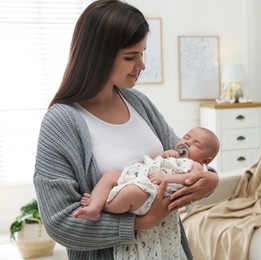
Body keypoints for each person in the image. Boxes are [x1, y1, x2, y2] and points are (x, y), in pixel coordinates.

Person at [32, 1, 219, 260]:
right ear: (98, 56)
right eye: (130, 57)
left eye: (142, 53)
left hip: (170, 250)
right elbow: (58, 222)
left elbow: (185, 159)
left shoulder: (138, 102)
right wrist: (137, 223)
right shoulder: (62, 123)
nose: (141, 65)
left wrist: (210, 180)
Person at [73, 127, 219, 259]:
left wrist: (166, 178)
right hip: (138, 178)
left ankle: (104, 205)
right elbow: (155, 164)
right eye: (186, 137)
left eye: (196, 144)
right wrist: (164, 156)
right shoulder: (174, 156)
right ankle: (95, 205)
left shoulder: (196, 166)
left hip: (152, 194)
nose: (187, 143)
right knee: (110, 175)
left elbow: (189, 179)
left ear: (206, 159)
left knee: (131, 193)